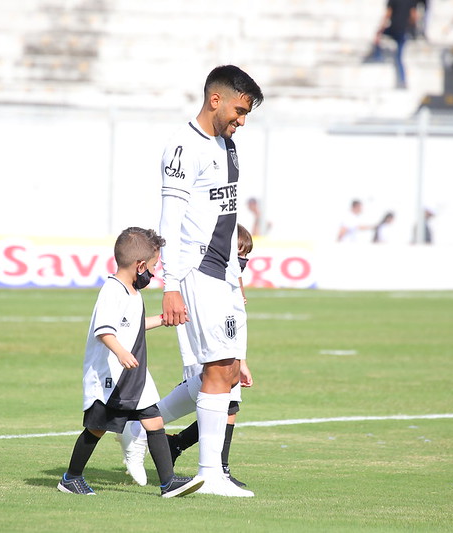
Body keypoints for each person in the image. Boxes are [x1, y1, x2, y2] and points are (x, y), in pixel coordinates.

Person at [158, 64, 263, 497]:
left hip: (224, 274)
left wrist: (236, 277)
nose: (241, 120)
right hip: (196, 273)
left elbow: (228, 215)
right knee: (218, 369)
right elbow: (171, 218)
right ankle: (210, 474)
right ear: (215, 99)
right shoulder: (184, 147)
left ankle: (139, 428)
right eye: (239, 110)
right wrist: (168, 284)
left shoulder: (229, 146)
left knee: (227, 370)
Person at [57, 227, 204, 498]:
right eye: (152, 266)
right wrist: (122, 353)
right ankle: (71, 478)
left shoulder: (132, 293)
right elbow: (104, 331)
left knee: (154, 421)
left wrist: (163, 319)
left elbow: (132, 327)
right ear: (139, 266)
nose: (153, 272)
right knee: (97, 428)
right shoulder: (112, 291)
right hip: (112, 376)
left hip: (135, 376)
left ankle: (168, 483)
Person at [118, 224, 255, 489]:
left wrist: (242, 360)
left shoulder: (230, 278)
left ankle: (160, 438)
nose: (243, 260)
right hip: (202, 346)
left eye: (246, 254)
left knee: (228, 403)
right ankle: (143, 428)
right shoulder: (202, 272)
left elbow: (238, 322)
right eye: (239, 253)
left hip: (227, 349)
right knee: (223, 400)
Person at [368, 0, 418, 89]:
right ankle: (402, 80)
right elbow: (413, 15)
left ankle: (378, 57)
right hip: (403, 30)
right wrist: (413, 30)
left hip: (394, 29)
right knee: (399, 56)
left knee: (378, 39)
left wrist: (380, 29)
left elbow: (388, 14)